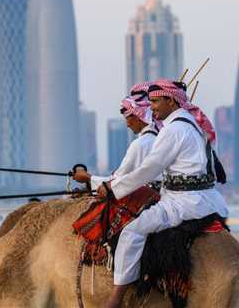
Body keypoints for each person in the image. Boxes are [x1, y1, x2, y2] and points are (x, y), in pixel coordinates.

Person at [97, 80, 229, 308]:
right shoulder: (194, 123)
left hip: (183, 203)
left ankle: (116, 299)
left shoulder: (174, 129)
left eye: (156, 101)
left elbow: (149, 168)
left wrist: (112, 189)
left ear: (171, 100)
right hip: (209, 200)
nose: (153, 107)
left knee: (131, 232)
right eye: (150, 102)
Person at [74, 82, 161, 190]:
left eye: (128, 118)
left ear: (139, 115)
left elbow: (116, 182)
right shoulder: (161, 138)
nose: (128, 124)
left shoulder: (139, 145)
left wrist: (87, 177)